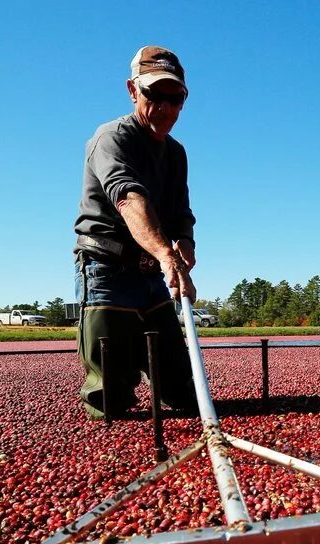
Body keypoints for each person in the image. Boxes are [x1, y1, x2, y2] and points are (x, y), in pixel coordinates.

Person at [73, 45, 199, 419]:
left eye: (175, 98)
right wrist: (166, 255)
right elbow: (129, 199)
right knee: (110, 401)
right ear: (132, 90)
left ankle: (174, 383)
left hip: (150, 274)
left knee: (183, 392)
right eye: (154, 95)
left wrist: (186, 245)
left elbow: (180, 211)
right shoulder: (111, 138)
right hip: (107, 269)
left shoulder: (176, 153)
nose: (166, 107)